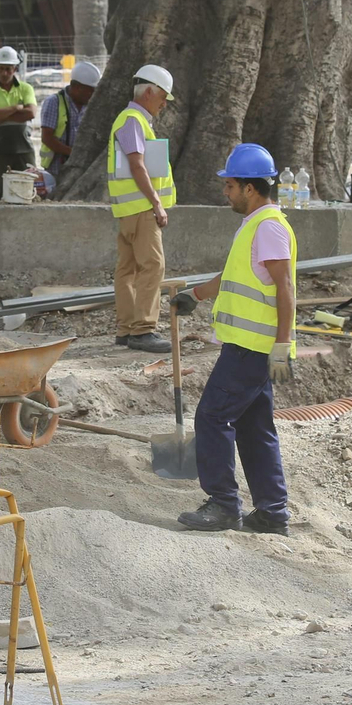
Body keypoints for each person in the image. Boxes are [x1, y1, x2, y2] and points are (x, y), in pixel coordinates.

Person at [169, 144, 295, 535]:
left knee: (212, 416)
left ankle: (224, 505)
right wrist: (196, 294)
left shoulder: (269, 227)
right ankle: (272, 515)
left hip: (254, 349)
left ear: (250, 189)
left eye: (229, 185)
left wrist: (282, 346)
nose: (225, 193)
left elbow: (286, 288)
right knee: (255, 429)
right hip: (251, 347)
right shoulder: (255, 225)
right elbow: (235, 277)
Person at [108, 64, 177, 353]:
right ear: (149, 91)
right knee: (152, 266)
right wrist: (157, 203)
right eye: (163, 96)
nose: (164, 103)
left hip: (128, 211)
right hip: (141, 210)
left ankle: (127, 329)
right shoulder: (133, 120)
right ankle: (144, 329)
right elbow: (137, 164)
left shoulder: (132, 120)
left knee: (128, 269)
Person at [0, 46, 36, 200]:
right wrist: (16, 108)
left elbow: (31, 112)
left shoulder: (25, 88)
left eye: (8, 69)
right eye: (1, 69)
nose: (4, 73)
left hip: (23, 147)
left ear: (15, 68)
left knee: (26, 189)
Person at [39, 60, 100, 182]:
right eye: (89, 90)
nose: (92, 95)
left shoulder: (91, 106)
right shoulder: (54, 102)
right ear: (75, 86)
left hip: (80, 169)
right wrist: (73, 153)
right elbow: (47, 138)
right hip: (56, 169)